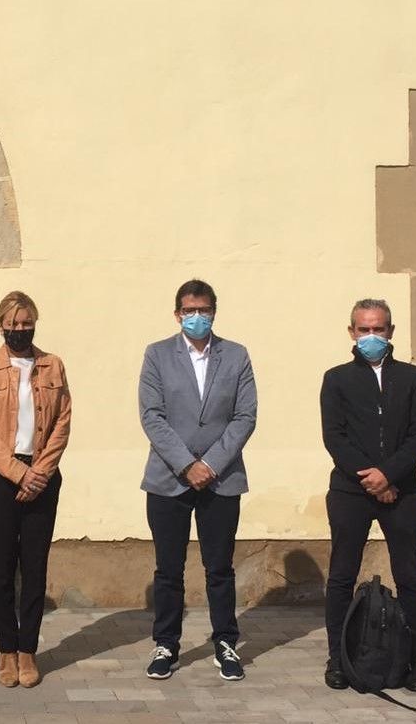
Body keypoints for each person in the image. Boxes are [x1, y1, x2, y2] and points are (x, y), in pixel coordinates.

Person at [138, 279, 257, 682]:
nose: (196, 317)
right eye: (189, 311)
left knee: (219, 567)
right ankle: (166, 644)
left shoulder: (236, 356)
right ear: (177, 314)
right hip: (169, 479)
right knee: (168, 569)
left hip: (221, 480)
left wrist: (212, 464)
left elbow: (245, 416)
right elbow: (152, 415)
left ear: (214, 312)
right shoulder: (157, 355)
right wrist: (188, 464)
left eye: (203, 310)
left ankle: (225, 642)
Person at [318, 298, 416, 693]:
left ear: (391, 332)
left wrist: (389, 474)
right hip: (351, 490)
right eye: (364, 329)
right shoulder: (336, 378)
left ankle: (413, 661)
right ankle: (338, 657)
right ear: (351, 332)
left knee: (410, 577)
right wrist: (370, 477)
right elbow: (335, 436)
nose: (371, 336)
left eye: (378, 329)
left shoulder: (412, 377)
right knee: (341, 575)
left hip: (402, 489)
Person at [0, 291, 73, 688]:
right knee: (1, 567)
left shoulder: (53, 365)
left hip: (42, 476)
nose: (19, 330)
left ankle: (28, 650)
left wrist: (39, 472)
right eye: (12, 325)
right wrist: (17, 473)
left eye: (26, 323)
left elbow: (62, 421)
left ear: (35, 323)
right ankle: (6, 652)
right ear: (1, 326)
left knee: (35, 567)